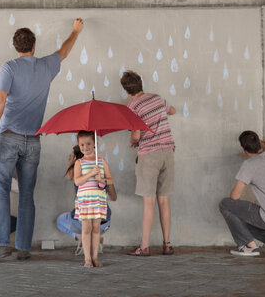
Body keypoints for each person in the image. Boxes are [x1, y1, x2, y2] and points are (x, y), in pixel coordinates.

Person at [0, 18, 84, 262]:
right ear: (34, 45)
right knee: (27, 195)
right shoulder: (47, 65)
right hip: (33, 141)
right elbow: (65, 51)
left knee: (1, 190)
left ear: (15, 47)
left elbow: (0, 100)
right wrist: (75, 31)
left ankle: (1, 245)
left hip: (8, 137)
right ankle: (23, 248)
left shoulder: (9, 68)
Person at [120, 70, 176, 257]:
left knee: (149, 202)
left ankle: (144, 247)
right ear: (141, 84)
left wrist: (133, 141)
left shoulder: (133, 107)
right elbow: (173, 110)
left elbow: (136, 134)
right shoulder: (158, 98)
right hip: (168, 151)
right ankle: (167, 244)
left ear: (127, 91)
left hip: (149, 155)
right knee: (164, 199)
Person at [219, 131, 265, 257]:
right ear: (259, 143)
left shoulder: (249, 165)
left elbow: (234, 197)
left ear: (243, 149)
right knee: (242, 222)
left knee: (225, 205)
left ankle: (249, 246)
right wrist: (261, 142)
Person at [56, 145, 117, 255]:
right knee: (93, 226)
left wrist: (72, 163)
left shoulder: (78, 173)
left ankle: (81, 238)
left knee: (60, 220)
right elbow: (114, 197)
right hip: (105, 222)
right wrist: (104, 181)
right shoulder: (100, 168)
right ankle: (94, 240)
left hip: (86, 219)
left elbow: (69, 176)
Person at [73, 131, 113, 267]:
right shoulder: (79, 162)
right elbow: (77, 181)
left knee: (96, 228)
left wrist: (101, 179)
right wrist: (91, 173)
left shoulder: (101, 161)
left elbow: (110, 180)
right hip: (85, 199)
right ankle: (87, 259)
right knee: (86, 228)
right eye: (82, 144)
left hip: (98, 199)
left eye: (88, 143)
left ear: (94, 144)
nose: (85, 147)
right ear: (79, 145)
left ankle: (95, 257)